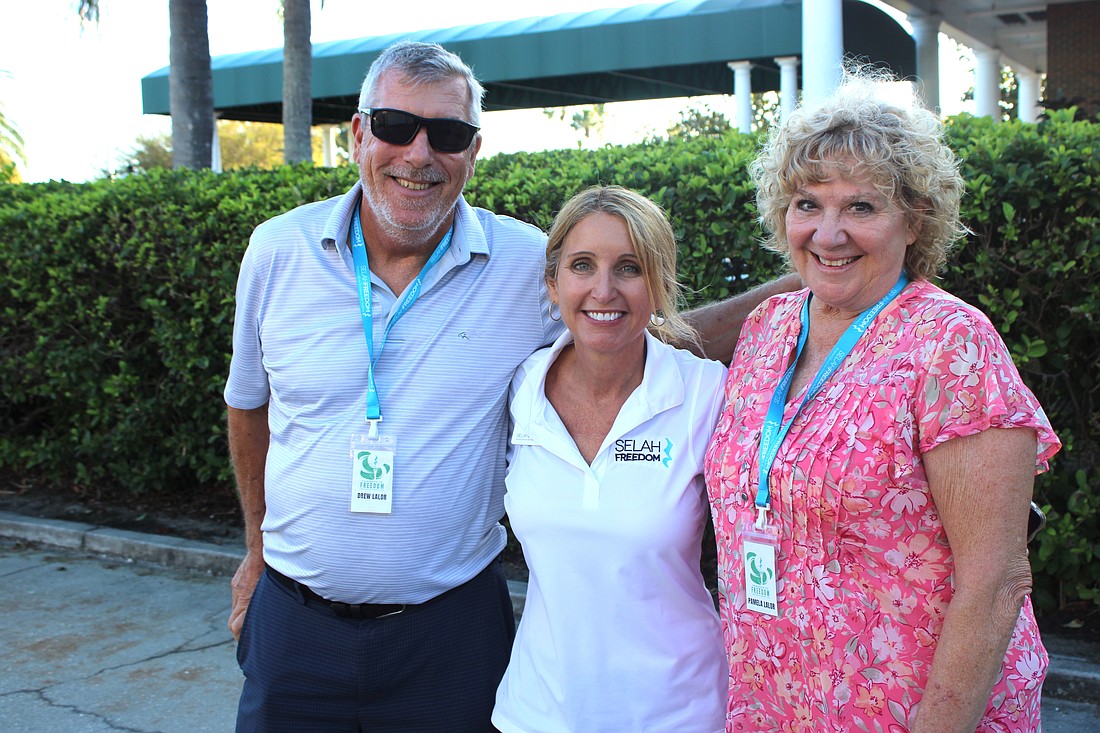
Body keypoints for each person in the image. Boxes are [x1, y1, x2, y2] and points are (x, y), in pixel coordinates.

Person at [224, 41, 790, 732]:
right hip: (295, 625)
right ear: (359, 134)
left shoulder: (523, 261)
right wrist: (255, 550)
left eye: (449, 134)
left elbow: (620, 328)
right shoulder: (277, 250)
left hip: (449, 632)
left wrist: (803, 287)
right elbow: (247, 405)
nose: (419, 153)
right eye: (397, 126)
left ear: (474, 149)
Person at [703, 70, 1061, 732]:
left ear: (915, 219)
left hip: (916, 712)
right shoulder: (767, 329)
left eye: (861, 207)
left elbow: (995, 583)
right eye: (808, 203)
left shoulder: (951, 345)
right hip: (774, 702)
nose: (828, 232)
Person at [492, 187, 727, 733]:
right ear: (553, 284)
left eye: (629, 267)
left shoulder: (705, 396)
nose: (604, 290)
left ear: (660, 285)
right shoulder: (520, 389)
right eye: (581, 266)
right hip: (537, 713)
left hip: (680, 714)